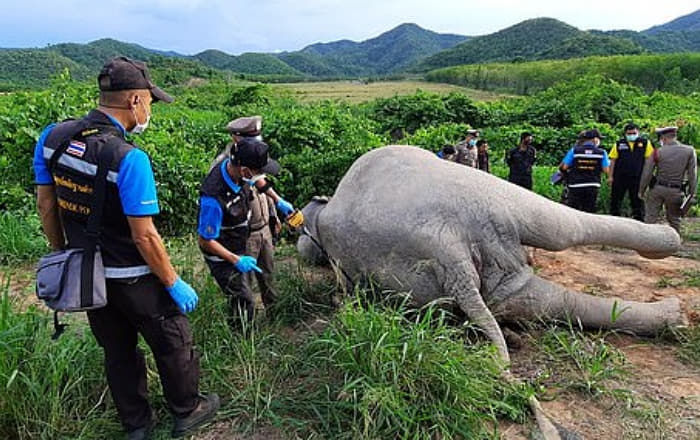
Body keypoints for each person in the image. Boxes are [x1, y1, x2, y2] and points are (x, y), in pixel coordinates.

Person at [33, 57, 219, 440]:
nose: (150, 109)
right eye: (150, 101)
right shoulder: (129, 158)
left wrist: (65, 253)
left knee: (117, 351)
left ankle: (137, 425)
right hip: (137, 279)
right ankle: (187, 409)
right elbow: (144, 236)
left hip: (91, 279)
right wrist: (172, 282)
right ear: (135, 100)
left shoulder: (53, 138)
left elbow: (46, 205)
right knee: (173, 342)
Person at [198, 137, 292, 326]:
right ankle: (242, 342)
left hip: (240, 239)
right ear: (245, 171)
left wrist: (277, 200)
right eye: (259, 172)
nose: (261, 176)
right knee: (243, 300)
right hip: (222, 255)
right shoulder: (214, 198)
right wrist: (236, 260)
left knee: (252, 288)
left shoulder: (236, 170)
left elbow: (259, 182)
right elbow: (205, 240)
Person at [639, 126, 697, 233]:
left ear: (663, 138)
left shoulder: (657, 152)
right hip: (676, 191)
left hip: (657, 189)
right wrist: (692, 194)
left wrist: (641, 191)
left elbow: (647, 173)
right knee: (674, 219)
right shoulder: (689, 151)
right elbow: (692, 174)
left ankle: (647, 244)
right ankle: (675, 244)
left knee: (650, 218)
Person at [608, 123, 655, 221]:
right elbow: (613, 160)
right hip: (620, 177)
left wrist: (648, 176)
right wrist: (610, 176)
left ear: (638, 132)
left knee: (637, 200)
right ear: (625, 134)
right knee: (615, 200)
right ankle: (614, 219)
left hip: (638, 177)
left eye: (634, 133)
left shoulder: (645, 143)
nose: (631, 135)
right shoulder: (619, 144)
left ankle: (639, 220)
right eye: (629, 133)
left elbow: (649, 160)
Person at [559, 129, 611, 213]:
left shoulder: (574, 151)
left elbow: (564, 167)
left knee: (573, 212)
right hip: (592, 185)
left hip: (575, 185)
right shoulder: (602, 152)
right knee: (589, 211)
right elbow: (606, 170)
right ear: (595, 139)